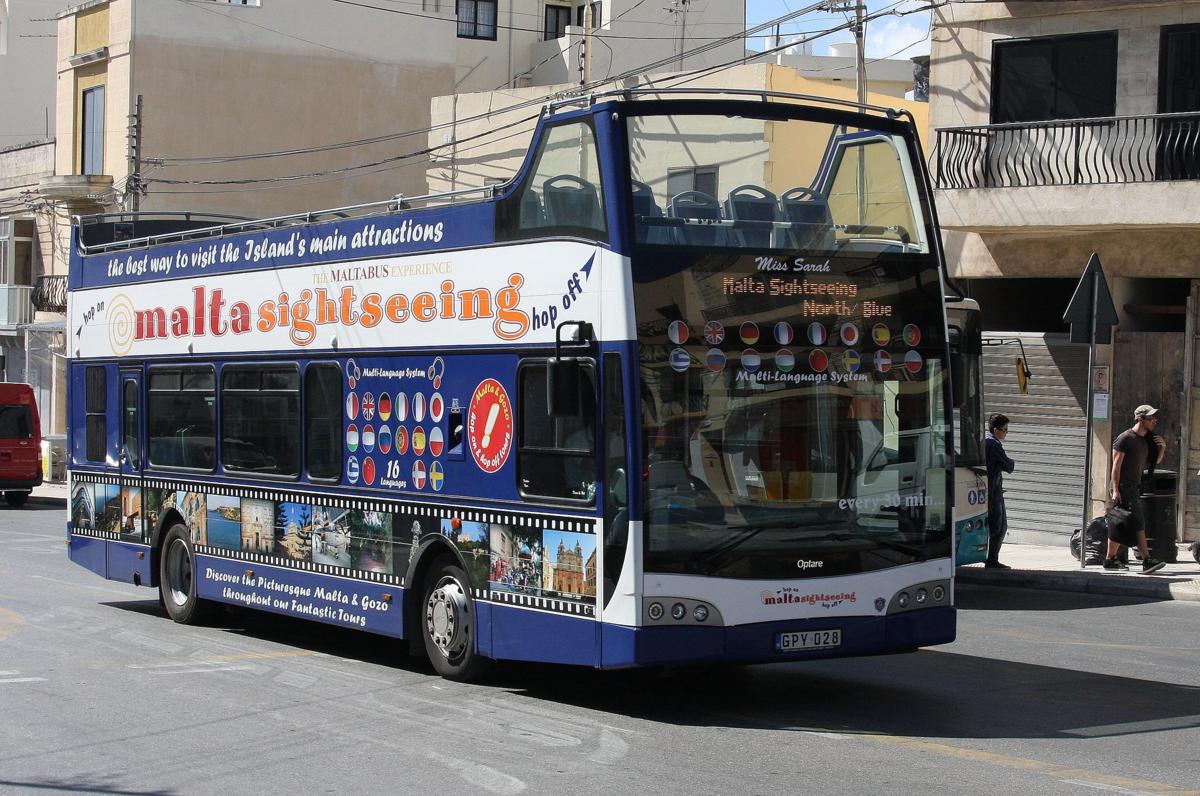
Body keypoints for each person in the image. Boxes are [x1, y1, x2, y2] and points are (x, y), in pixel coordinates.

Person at [1108, 404, 1167, 574]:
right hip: (1124, 487)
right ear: (1140, 419)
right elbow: (1116, 467)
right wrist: (1116, 489)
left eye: (1155, 418)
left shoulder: (1145, 440)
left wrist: (1162, 448)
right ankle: (1147, 560)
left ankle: (1109, 559)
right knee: (1138, 522)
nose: (1154, 421)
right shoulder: (1125, 439)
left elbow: (1154, 462)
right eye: (1151, 418)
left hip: (1135, 486)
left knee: (1120, 523)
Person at [984, 414, 1015, 569]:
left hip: (987, 491)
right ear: (996, 430)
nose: (1006, 433)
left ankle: (990, 558)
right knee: (999, 527)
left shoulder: (983, 440)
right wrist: (1011, 462)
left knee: (994, 526)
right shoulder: (994, 445)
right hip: (993, 493)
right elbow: (1008, 466)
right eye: (1004, 430)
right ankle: (991, 559)